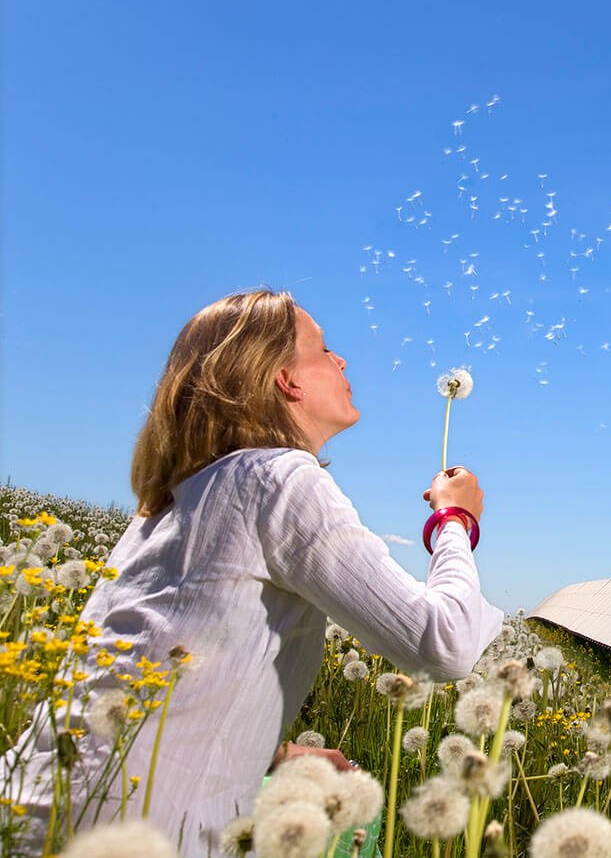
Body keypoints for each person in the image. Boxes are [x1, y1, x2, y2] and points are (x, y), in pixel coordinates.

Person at [3, 290, 504, 856]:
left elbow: (156, 675)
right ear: (285, 379)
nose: (341, 361)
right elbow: (444, 643)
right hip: (140, 833)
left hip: (41, 809)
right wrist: (454, 519)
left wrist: (273, 754)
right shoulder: (279, 478)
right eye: (322, 350)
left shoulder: (169, 504)